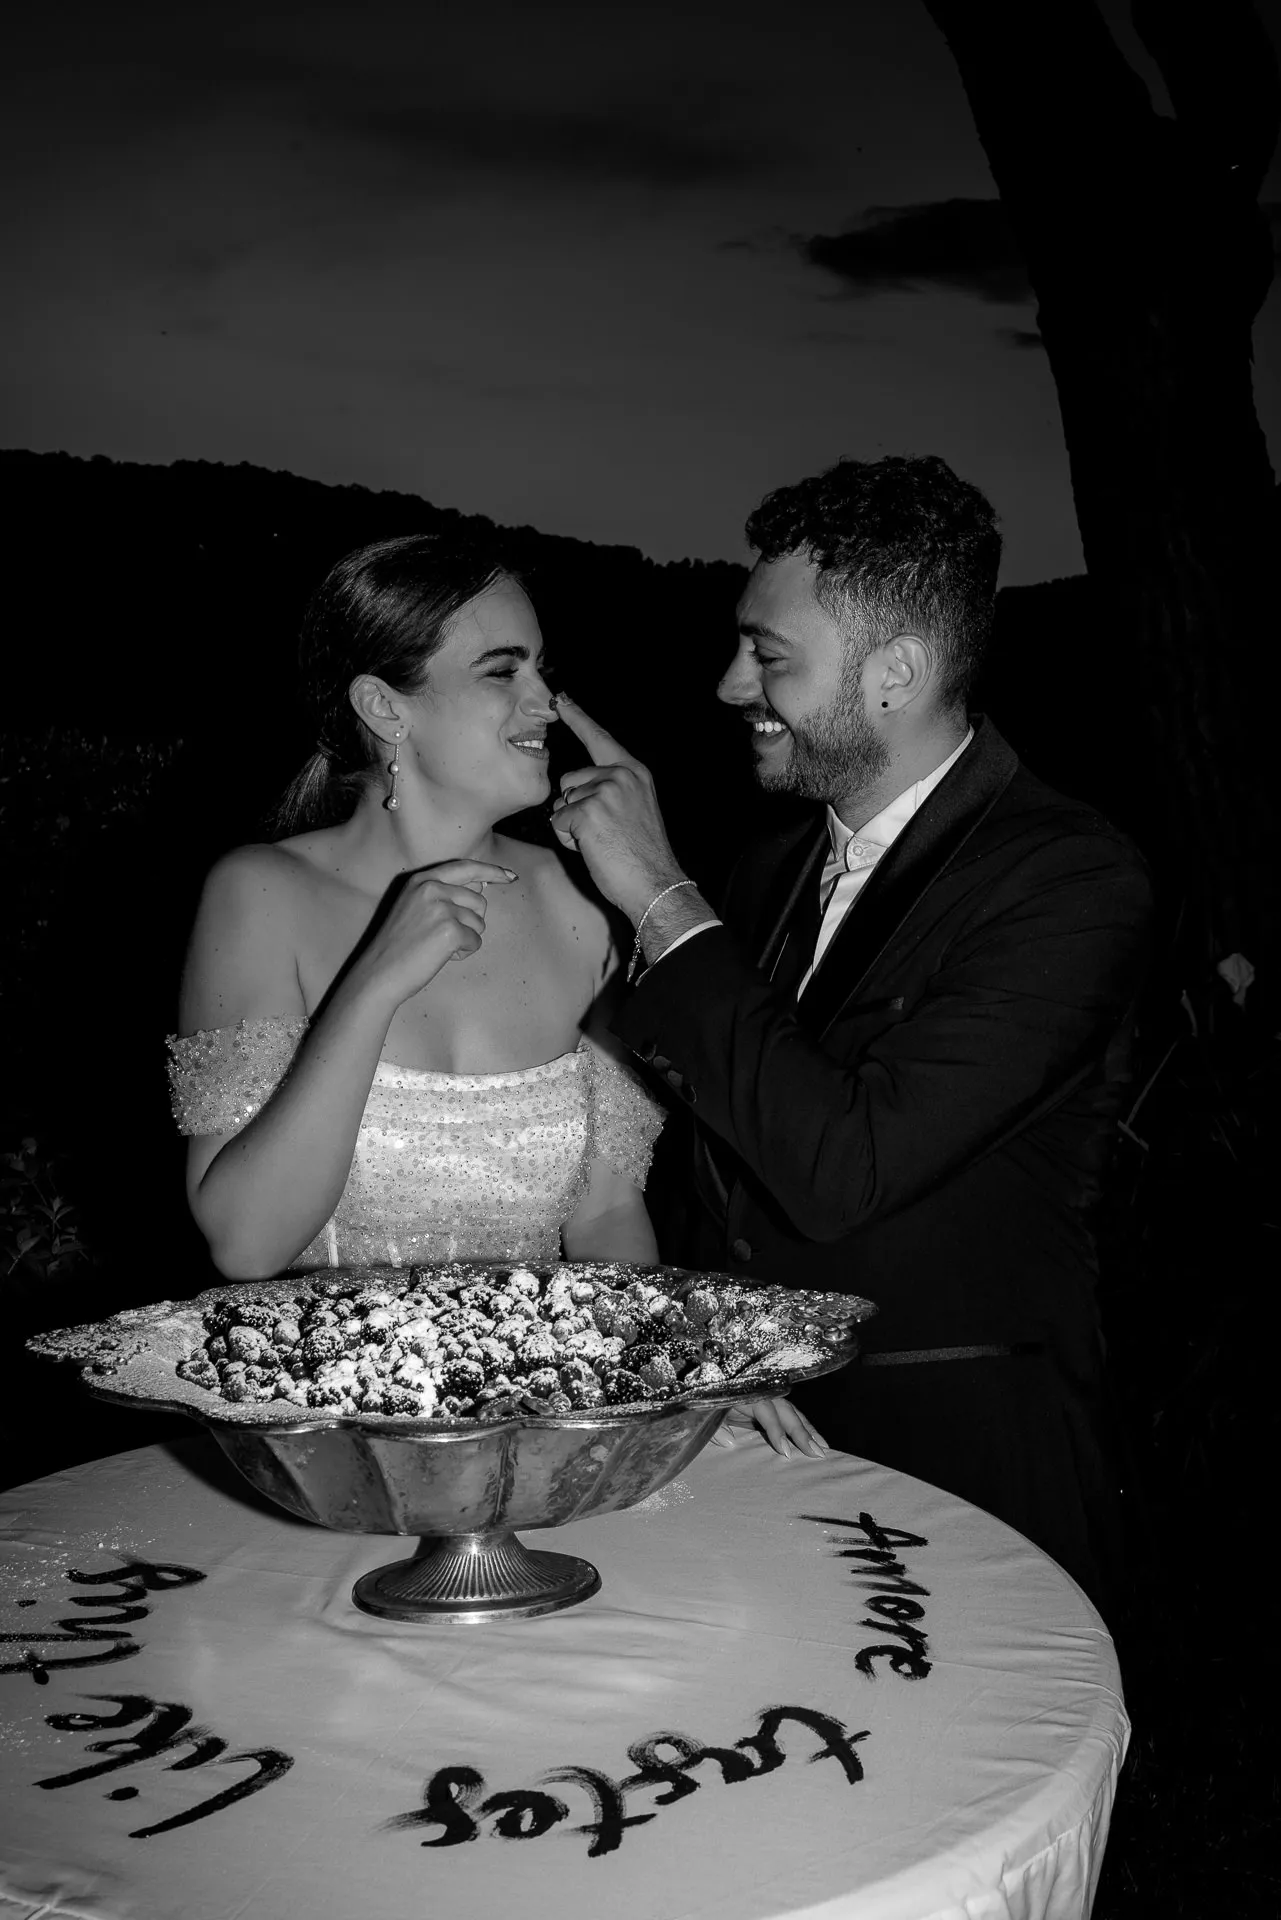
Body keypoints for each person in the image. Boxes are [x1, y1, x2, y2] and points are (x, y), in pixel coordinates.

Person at [548, 455, 1155, 1610]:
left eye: (770, 655)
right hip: (740, 1451)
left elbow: (843, 1168)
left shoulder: (1068, 879)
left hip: (959, 1476)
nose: (731, 683)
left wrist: (662, 900)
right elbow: (713, 1173)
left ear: (896, 674)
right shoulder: (769, 864)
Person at [167, 532, 823, 1457]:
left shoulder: (583, 906)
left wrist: (674, 1367)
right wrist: (374, 984)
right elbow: (246, 1243)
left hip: (538, 1430)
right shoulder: (260, 895)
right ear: (384, 707)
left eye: (543, 670)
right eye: (501, 672)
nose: (544, 702)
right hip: (331, 1439)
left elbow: (603, 1213)